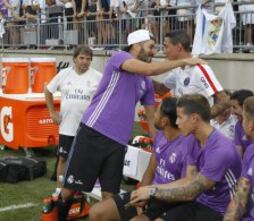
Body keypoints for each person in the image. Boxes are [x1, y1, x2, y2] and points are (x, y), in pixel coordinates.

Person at [57, 29, 205, 221]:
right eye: (151, 47)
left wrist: (160, 144)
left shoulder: (147, 83)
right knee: (69, 189)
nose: (153, 52)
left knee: (109, 196)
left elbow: (153, 119)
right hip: (94, 131)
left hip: (118, 143)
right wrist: (185, 61)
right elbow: (151, 69)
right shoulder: (120, 57)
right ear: (136, 45)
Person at [130, 94, 242, 221]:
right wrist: (148, 189)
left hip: (219, 211)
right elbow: (188, 180)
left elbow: (191, 192)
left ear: (194, 118)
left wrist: (152, 192)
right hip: (198, 203)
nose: (177, 122)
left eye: (179, 117)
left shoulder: (220, 150)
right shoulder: (193, 139)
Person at [89, 97, 197, 221]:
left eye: (157, 111)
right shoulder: (161, 136)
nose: (153, 114)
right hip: (149, 195)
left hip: (170, 203)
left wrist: (151, 193)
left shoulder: (188, 146)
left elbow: (185, 189)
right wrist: (141, 196)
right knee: (97, 213)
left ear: (164, 121)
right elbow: (150, 170)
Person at [45, 46, 102, 195]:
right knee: (63, 158)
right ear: (74, 59)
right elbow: (48, 90)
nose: (85, 62)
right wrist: (52, 112)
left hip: (88, 128)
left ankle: (82, 189)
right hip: (67, 127)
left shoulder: (98, 77)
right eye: (82, 58)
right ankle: (59, 189)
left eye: (88, 59)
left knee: (86, 160)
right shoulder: (64, 74)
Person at [153, 30, 227, 106]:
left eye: (166, 46)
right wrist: (142, 74)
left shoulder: (200, 68)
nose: (164, 51)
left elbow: (223, 99)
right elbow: (161, 90)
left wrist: (205, 117)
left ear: (179, 47)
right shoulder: (177, 68)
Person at [230, 89, 254, 156]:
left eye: (235, 107)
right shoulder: (239, 125)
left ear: (246, 108)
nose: (232, 112)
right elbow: (238, 150)